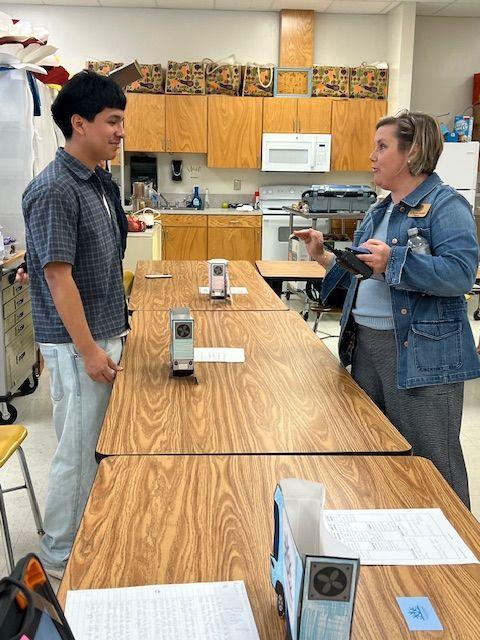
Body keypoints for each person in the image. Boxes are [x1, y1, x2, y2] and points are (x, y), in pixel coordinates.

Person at [296, 111, 480, 508]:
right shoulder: (380, 211)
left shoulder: (447, 207)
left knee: (433, 463)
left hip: (421, 356)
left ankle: (462, 560)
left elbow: (461, 275)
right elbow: (365, 276)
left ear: (412, 152)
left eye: (382, 147)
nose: (372, 155)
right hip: (366, 348)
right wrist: (324, 258)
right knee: (377, 453)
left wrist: (393, 261)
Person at [22, 70, 128, 577]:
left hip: (103, 332)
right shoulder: (55, 189)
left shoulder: (98, 181)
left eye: (121, 120)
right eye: (112, 121)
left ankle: (87, 532)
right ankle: (60, 553)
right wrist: (88, 350)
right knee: (77, 451)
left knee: (95, 446)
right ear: (79, 124)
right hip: (76, 345)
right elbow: (59, 280)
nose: (120, 130)